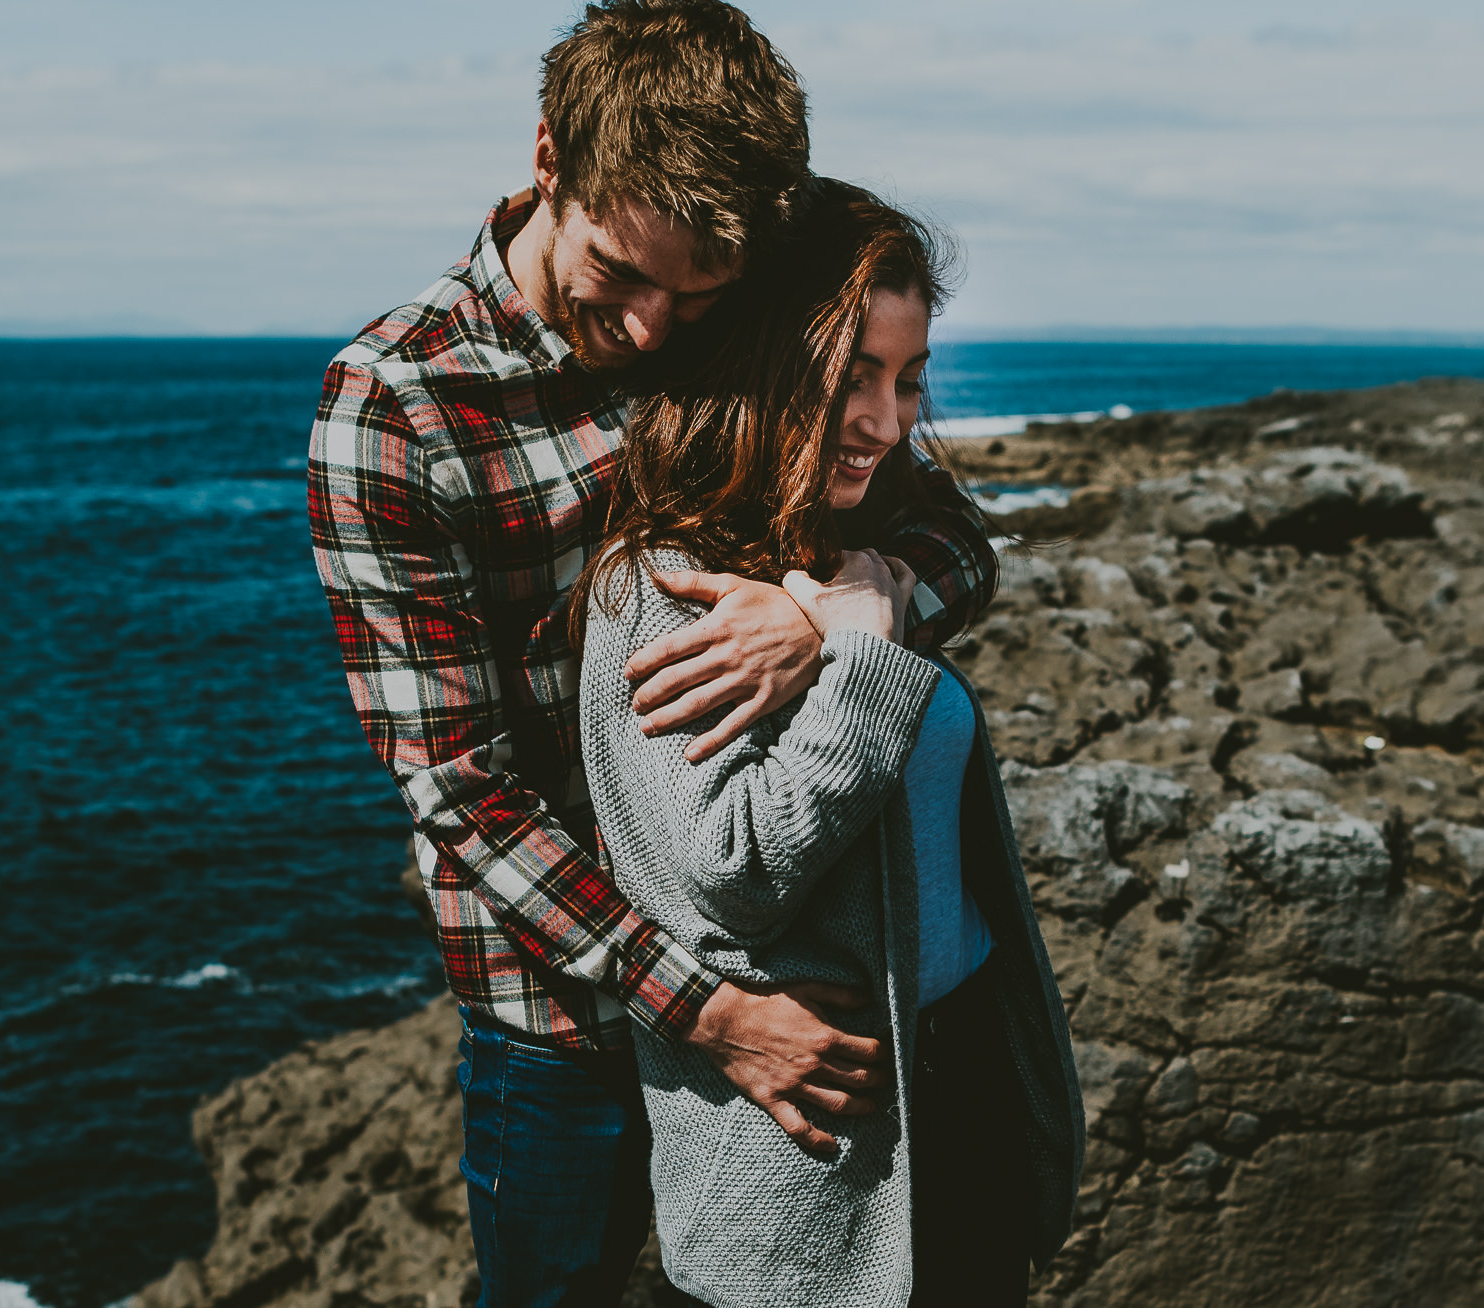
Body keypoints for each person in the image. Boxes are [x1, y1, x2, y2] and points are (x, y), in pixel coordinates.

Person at [306, 4, 997, 1304]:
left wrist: (853, 603)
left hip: (784, 939)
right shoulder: (398, 411)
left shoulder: (740, 303)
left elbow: (951, 531)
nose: (647, 329)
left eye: (696, 296)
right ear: (550, 160)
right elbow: (459, 785)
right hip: (566, 1007)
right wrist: (712, 1012)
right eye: (619, 277)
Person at [572, 179, 1084, 1308]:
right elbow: (736, 869)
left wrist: (842, 617)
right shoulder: (661, 589)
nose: (888, 421)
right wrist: (858, 654)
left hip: (958, 1103)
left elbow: (960, 555)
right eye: (853, 377)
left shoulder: (853, 550)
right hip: (815, 1172)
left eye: (907, 381)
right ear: (766, 358)